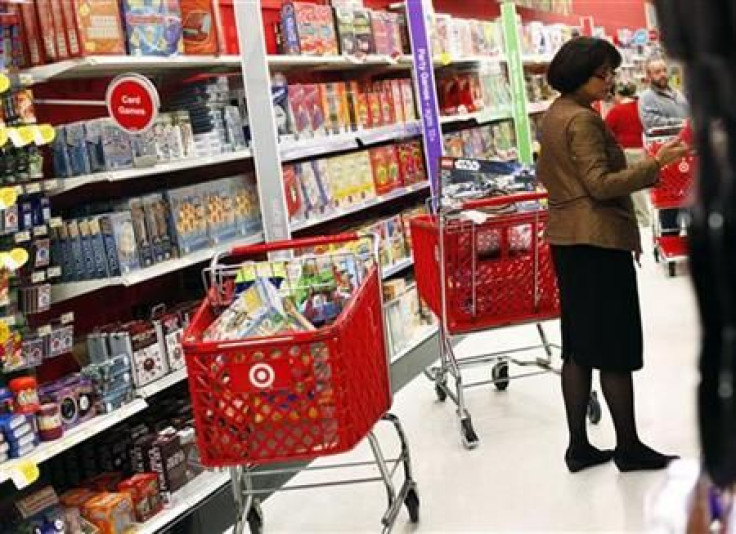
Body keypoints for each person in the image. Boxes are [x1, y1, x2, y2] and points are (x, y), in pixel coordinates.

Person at [537, 37, 689, 473]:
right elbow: (601, 184)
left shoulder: (555, 114)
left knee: (580, 346)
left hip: (569, 240)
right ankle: (628, 446)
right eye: (602, 74)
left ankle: (579, 446)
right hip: (598, 241)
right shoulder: (582, 121)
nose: (609, 82)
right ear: (578, 74)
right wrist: (656, 163)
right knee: (615, 346)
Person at [639, 58, 690, 235]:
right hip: (666, 157)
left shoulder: (678, 94)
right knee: (669, 206)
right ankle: (670, 237)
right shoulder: (646, 98)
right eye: (657, 72)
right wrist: (683, 123)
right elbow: (651, 122)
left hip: (687, 155)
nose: (662, 75)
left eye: (663, 70)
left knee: (690, 202)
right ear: (649, 76)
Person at [605, 81, 651, 227]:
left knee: (630, 186)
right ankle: (644, 218)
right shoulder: (640, 107)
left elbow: (605, 131)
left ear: (618, 94)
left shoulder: (616, 111)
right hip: (641, 149)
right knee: (640, 186)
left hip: (625, 152)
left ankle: (640, 219)